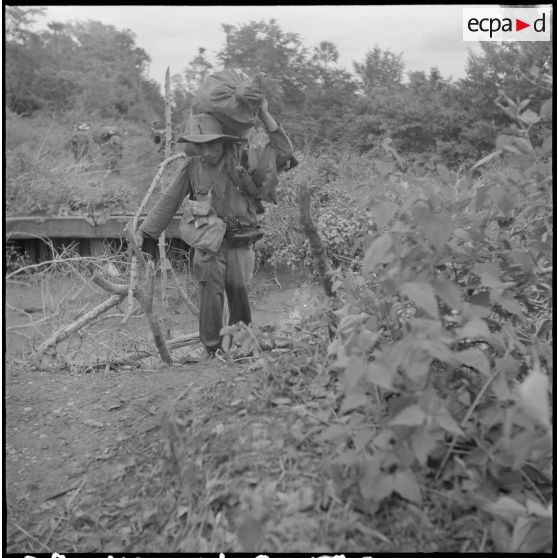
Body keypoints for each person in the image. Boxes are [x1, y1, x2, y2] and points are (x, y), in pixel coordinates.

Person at [135, 99, 296, 361]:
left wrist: (264, 114)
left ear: (223, 142)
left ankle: (242, 347)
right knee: (210, 294)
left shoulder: (245, 160)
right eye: (200, 145)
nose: (205, 151)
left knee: (239, 294)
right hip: (209, 244)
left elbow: (284, 152)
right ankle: (211, 349)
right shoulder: (192, 167)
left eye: (210, 144)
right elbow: (169, 200)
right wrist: (147, 233)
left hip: (240, 241)